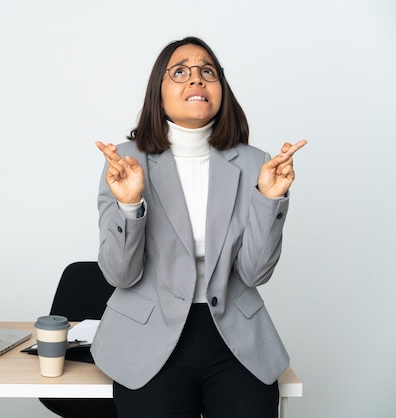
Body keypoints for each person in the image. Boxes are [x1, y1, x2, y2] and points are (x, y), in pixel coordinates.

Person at [91, 36, 307, 418]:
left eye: (208, 71)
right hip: (148, 338)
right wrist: (129, 204)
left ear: (221, 89)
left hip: (234, 337)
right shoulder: (126, 161)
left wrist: (270, 199)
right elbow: (119, 274)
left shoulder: (255, 162)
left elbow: (255, 273)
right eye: (180, 72)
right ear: (158, 93)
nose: (196, 80)